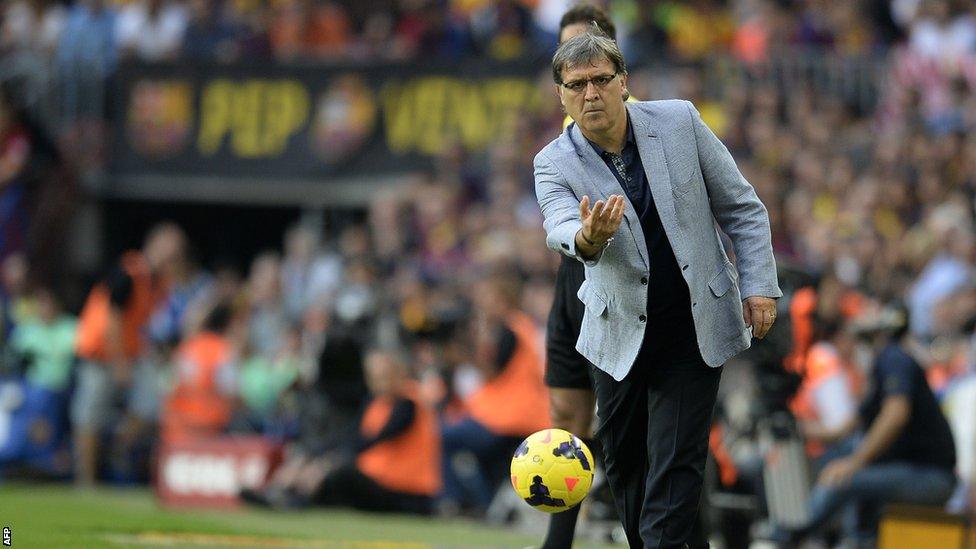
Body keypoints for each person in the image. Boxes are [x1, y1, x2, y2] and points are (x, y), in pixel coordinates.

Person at [534, 32, 781, 548]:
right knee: (625, 467)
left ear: (624, 83)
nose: (591, 93)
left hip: (693, 327)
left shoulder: (679, 121)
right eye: (577, 85)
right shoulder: (552, 162)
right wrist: (587, 237)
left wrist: (759, 285)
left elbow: (742, 207)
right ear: (561, 94)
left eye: (602, 79)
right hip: (617, 333)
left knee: (675, 464)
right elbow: (557, 225)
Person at [542, 5, 635, 548]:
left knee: (636, 430)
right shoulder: (561, 139)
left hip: (621, 287)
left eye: (585, 51)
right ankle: (559, 540)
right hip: (571, 281)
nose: (574, 67)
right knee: (566, 415)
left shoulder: (638, 123)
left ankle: (675, 529)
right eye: (564, 54)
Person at [778, 307, 957, 544]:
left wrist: (854, 464)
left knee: (844, 480)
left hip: (930, 476)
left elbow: (896, 413)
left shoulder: (893, 357)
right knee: (841, 458)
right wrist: (797, 429)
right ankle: (852, 540)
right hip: (913, 472)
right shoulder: (879, 369)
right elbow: (842, 430)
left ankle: (783, 537)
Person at [71, 222, 180, 485]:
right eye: (169, 248)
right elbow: (113, 320)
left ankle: (116, 446)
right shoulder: (128, 271)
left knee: (151, 404)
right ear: (153, 245)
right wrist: (120, 363)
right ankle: (86, 480)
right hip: (99, 352)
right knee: (89, 414)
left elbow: (143, 323)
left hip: (130, 353)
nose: (173, 256)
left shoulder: (160, 282)